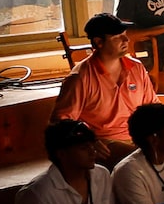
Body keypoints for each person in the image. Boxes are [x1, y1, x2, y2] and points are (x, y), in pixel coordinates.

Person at [52, 13, 158, 149]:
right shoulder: (80, 77)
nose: (126, 39)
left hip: (140, 138)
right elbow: (60, 123)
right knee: (143, 160)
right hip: (105, 144)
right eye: (117, 37)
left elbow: (152, 106)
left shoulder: (136, 67)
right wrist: (89, 142)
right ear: (99, 42)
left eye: (125, 34)